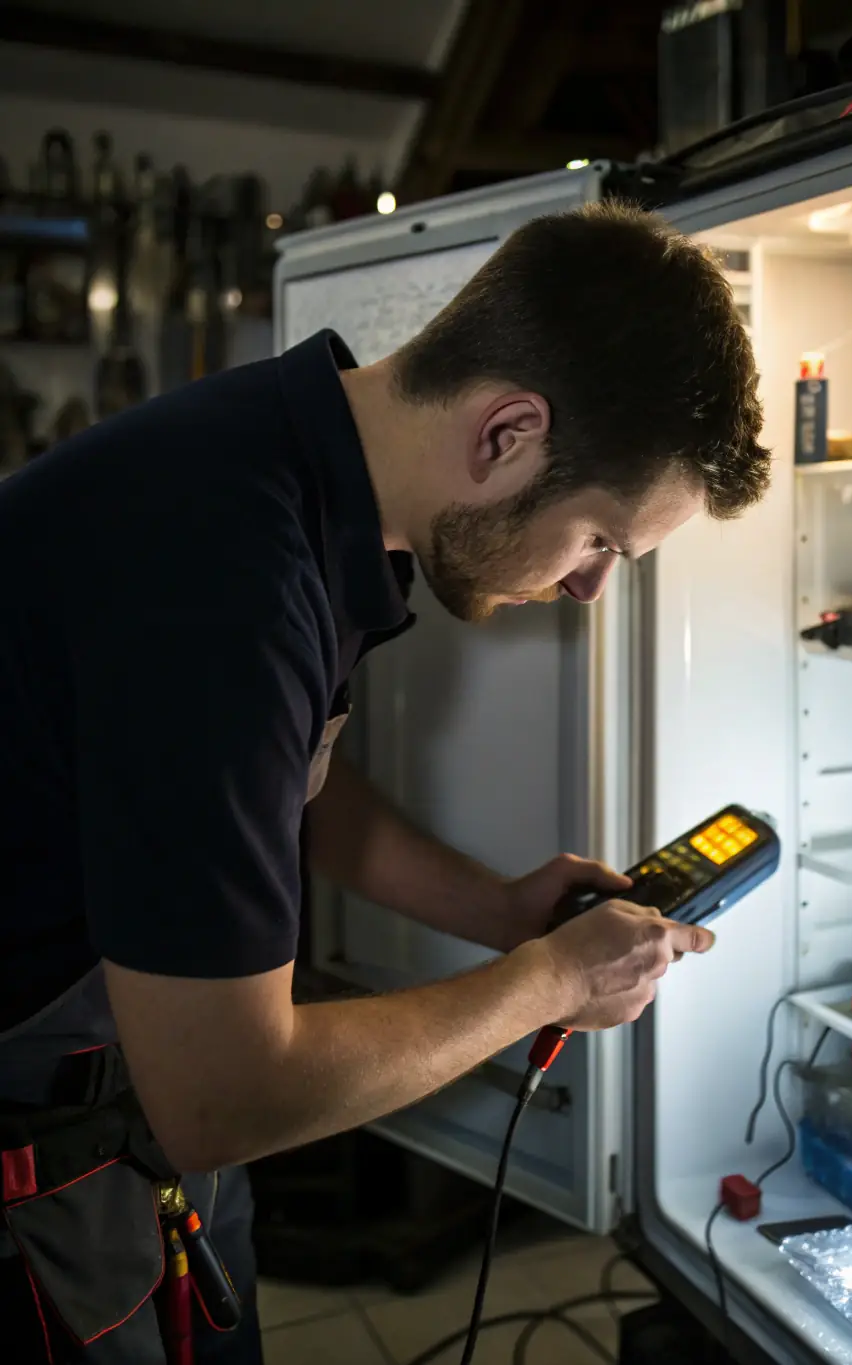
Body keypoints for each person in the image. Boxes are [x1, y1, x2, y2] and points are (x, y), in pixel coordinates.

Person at [0, 201, 769, 1362]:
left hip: (125, 1141)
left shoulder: (289, 460)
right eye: (601, 539)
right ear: (507, 432)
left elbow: (271, 780)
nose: (588, 590)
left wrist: (496, 908)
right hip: (39, 1177)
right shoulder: (228, 581)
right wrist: (544, 980)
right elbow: (220, 1094)